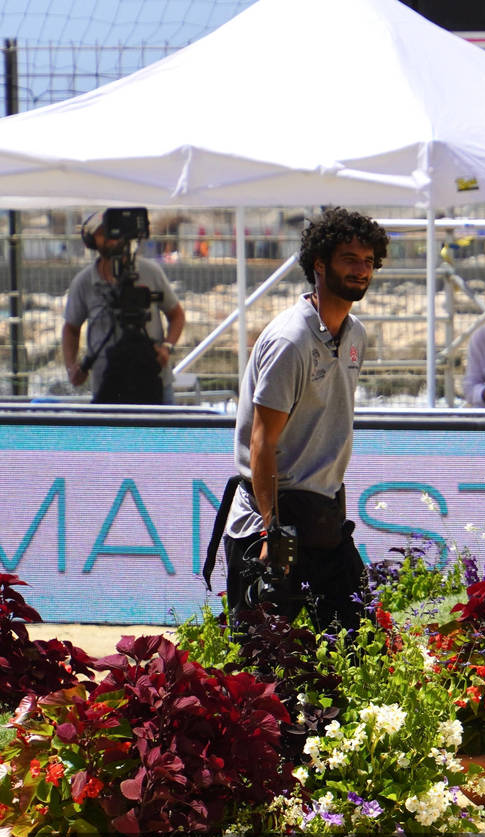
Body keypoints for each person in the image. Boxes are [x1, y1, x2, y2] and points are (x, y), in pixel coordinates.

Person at [214, 207, 388, 631]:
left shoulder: (356, 334)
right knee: (260, 660)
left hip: (324, 519)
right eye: (349, 259)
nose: (361, 270)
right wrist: (272, 533)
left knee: (358, 644)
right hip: (272, 520)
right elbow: (262, 441)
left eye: (368, 261)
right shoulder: (290, 340)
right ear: (319, 264)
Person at [61, 209, 186, 404]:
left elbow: (176, 314)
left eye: (113, 232)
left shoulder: (150, 272)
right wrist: (72, 367)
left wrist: (166, 348)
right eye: (103, 233)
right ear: (91, 239)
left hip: (153, 377)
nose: (111, 239)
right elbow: (71, 328)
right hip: (106, 382)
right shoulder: (84, 281)